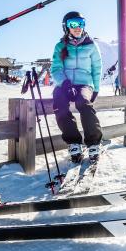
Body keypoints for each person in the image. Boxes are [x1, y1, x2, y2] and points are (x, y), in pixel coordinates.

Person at [51, 11, 103, 163]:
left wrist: (96, 88)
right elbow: (56, 69)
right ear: (66, 27)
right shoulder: (60, 46)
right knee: (59, 104)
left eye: (81, 23)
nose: (77, 27)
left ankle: (93, 143)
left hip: (84, 82)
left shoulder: (91, 45)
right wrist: (65, 84)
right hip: (64, 82)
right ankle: (74, 142)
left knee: (83, 102)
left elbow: (97, 68)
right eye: (73, 24)